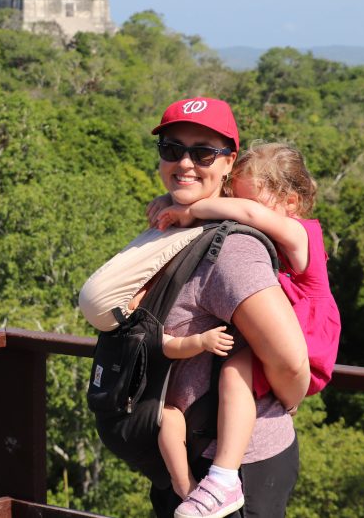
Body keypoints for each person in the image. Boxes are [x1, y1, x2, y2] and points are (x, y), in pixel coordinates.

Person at [80, 97, 310, 518]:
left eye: (203, 152)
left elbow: (292, 363)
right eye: (172, 149)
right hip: (182, 458)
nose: (184, 162)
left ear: (229, 163)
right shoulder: (178, 225)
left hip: (236, 468)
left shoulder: (233, 249)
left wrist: (289, 400)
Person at [148, 142, 341, 517]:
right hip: (279, 336)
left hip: (308, 338)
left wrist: (189, 209)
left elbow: (250, 213)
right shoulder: (261, 228)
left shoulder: (303, 234)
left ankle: (223, 477)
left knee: (236, 371)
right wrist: (167, 199)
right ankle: (197, 481)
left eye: (248, 205)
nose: (239, 215)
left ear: (290, 204)